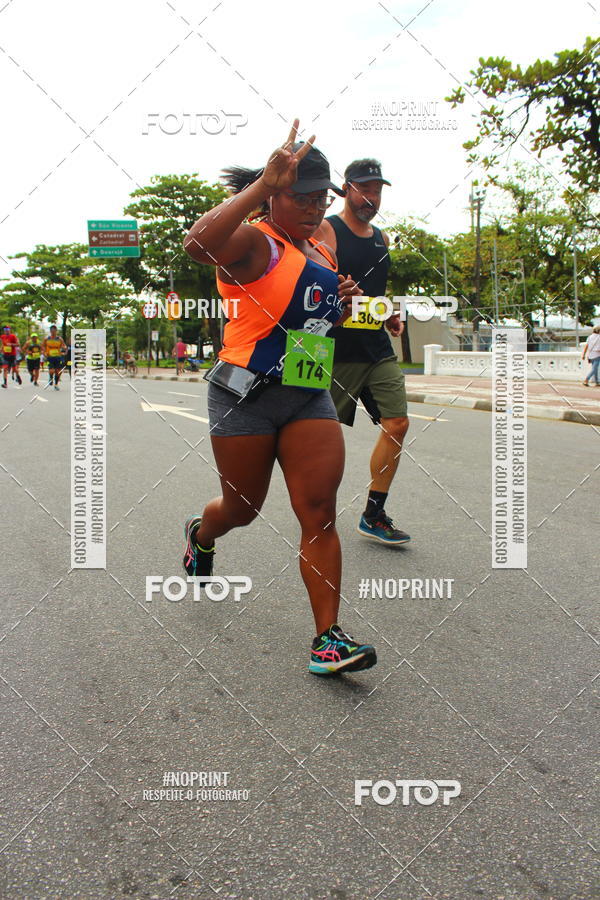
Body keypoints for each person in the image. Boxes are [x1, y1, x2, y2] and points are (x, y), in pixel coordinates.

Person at [183, 119, 377, 676]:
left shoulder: (320, 245)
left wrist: (340, 299)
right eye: (302, 198)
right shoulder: (252, 241)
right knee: (241, 510)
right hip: (245, 395)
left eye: (321, 199)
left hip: (307, 393)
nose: (315, 209)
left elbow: (312, 312)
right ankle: (201, 532)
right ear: (276, 195)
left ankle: (328, 640)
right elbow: (197, 243)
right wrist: (260, 188)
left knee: (318, 512)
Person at [315, 159, 410, 547]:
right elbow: (314, 285)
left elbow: (374, 295)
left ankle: (373, 513)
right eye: (365, 189)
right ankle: (315, 511)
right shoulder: (327, 229)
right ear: (347, 188)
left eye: (378, 190)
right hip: (331, 348)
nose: (372, 197)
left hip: (374, 346)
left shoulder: (381, 238)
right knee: (317, 435)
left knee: (398, 423)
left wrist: (388, 314)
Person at [42, 326, 67, 390]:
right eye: (52, 331)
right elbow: (43, 346)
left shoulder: (59, 339)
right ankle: (50, 377)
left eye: (54, 331)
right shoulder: (47, 339)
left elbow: (64, 345)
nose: (53, 332)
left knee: (58, 371)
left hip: (58, 356)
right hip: (50, 356)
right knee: (51, 370)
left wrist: (65, 349)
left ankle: (56, 384)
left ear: (56, 331)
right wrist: (44, 352)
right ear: (50, 331)